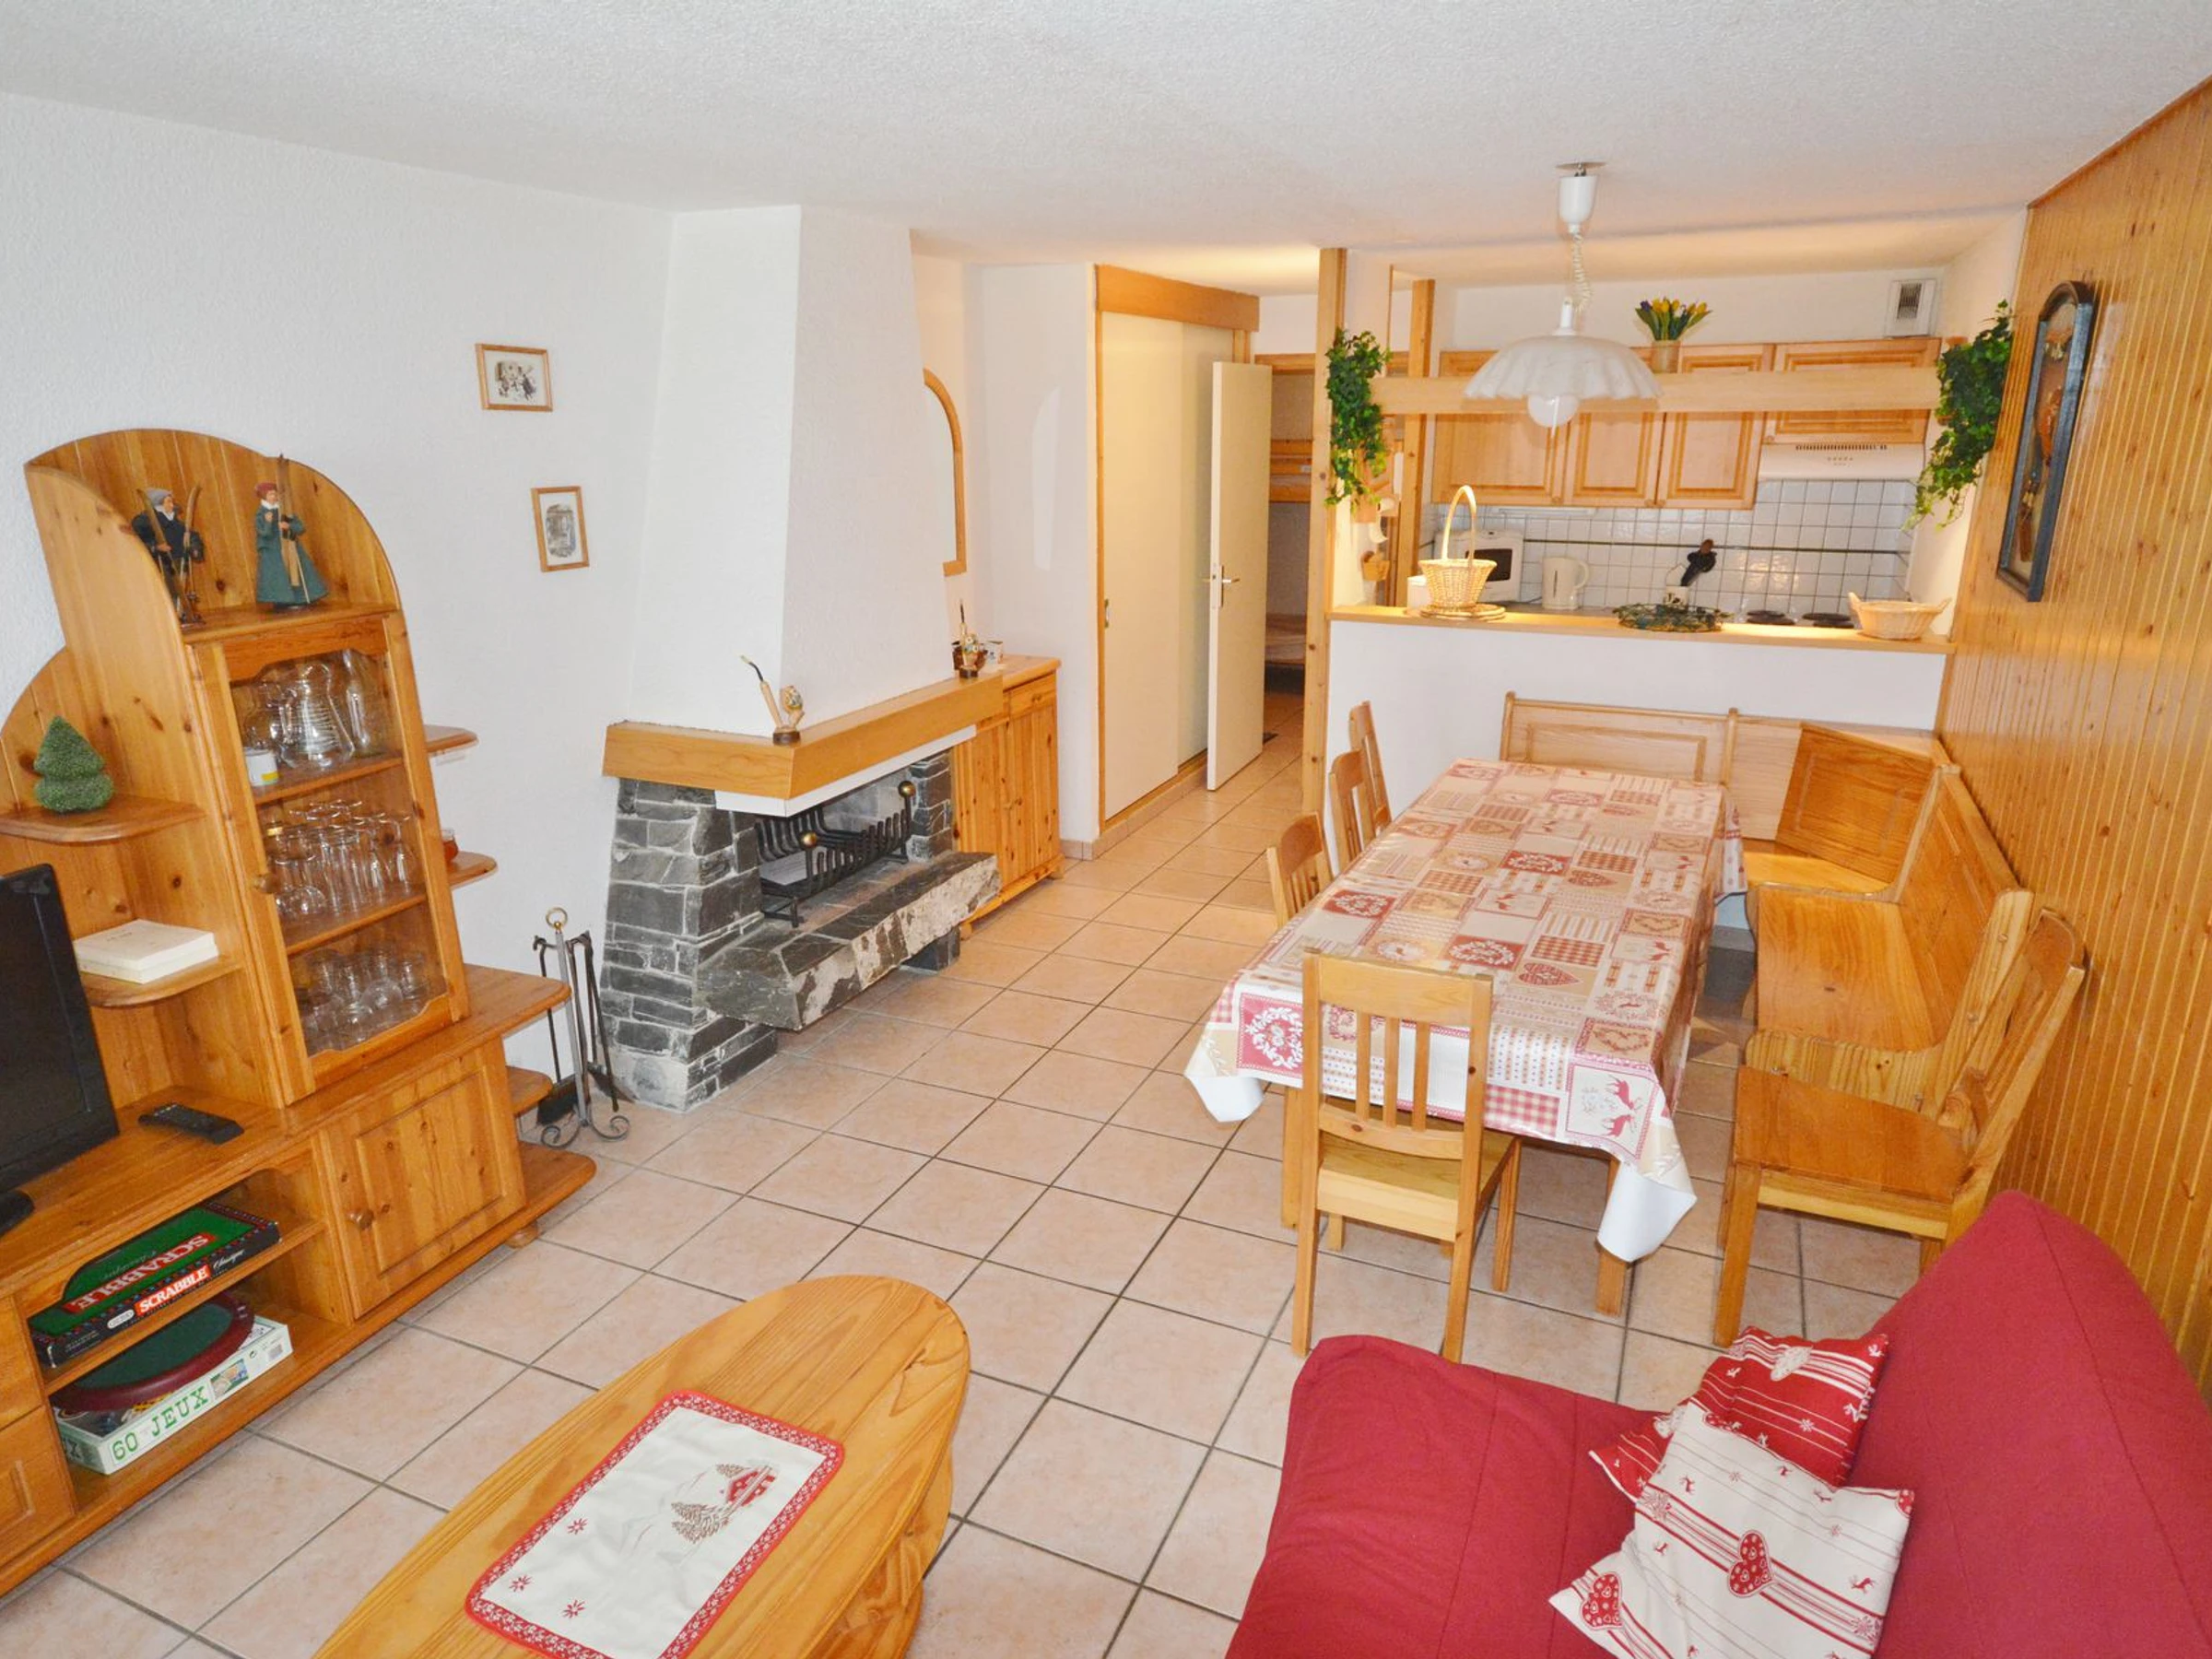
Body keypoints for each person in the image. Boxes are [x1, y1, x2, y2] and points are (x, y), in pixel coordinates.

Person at [131, 488, 206, 624]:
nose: (172, 505)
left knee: (180, 589)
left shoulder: (174, 522)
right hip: (162, 563)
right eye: (168, 502)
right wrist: (156, 547)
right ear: (159, 504)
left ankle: (182, 613)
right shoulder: (145, 523)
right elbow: (137, 542)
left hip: (178, 560)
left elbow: (190, 534)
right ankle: (171, 616)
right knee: (168, 590)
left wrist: (194, 546)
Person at [253, 481, 327, 607]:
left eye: (275, 494)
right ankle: (281, 600)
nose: (274, 497)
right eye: (270, 494)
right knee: (277, 575)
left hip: (290, 546)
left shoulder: (285, 510)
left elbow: (300, 528)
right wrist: (268, 522)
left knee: (296, 571)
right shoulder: (261, 514)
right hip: (272, 550)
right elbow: (264, 533)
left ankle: (301, 598)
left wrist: (289, 526)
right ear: (264, 496)